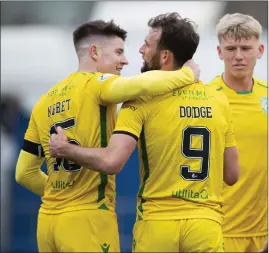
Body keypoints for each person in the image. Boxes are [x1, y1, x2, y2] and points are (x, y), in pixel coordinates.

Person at [49, 13, 240, 252]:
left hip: (156, 226)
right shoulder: (218, 99)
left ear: (164, 56)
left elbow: (112, 160)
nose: (140, 50)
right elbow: (232, 174)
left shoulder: (141, 98)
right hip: (205, 225)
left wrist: (67, 149)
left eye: (147, 45)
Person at [15, 19, 200, 252]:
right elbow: (140, 86)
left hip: (48, 222)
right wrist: (186, 75)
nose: (125, 60)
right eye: (118, 52)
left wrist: (61, 195)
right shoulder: (97, 85)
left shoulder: (44, 102)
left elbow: (24, 174)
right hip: (88, 219)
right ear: (94, 52)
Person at [208, 13, 268, 252]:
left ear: (260, 49)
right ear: (220, 52)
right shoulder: (207, 96)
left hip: (262, 233)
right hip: (218, 230)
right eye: (231, 48)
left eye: (246, 48)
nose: (239, 56)